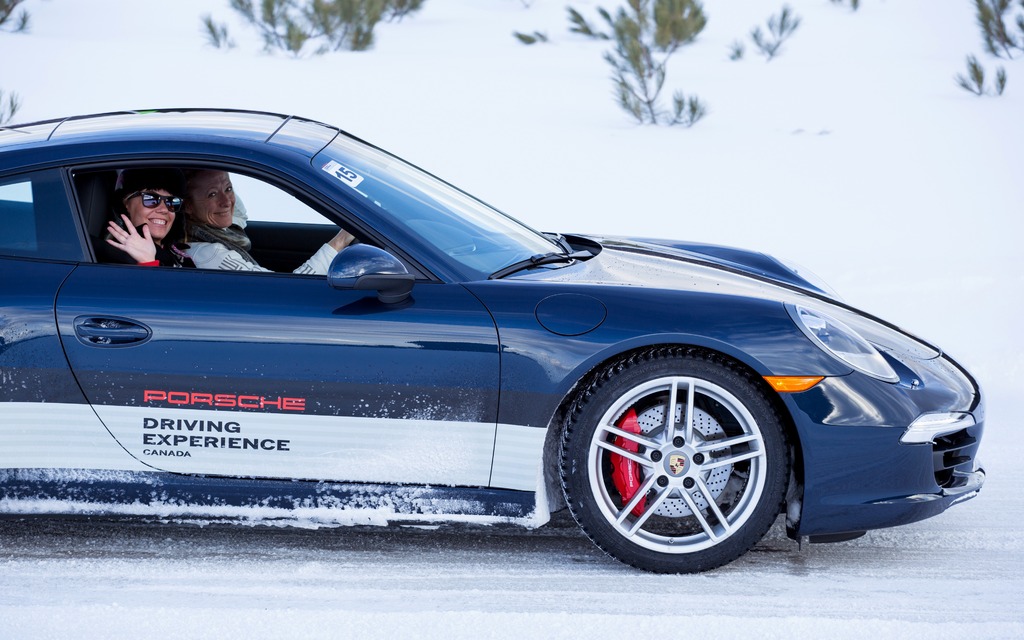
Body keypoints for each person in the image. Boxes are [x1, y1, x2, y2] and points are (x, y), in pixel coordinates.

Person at [183, 169, 354, 273]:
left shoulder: (216, 229)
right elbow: (288, 292)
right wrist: (342, 239)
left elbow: (239, 214)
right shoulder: (210, 255)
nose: (226, 201)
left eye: (228, 189)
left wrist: (215, 168)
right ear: (187, 205)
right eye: (212, 194)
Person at [104, 168, 195, 268]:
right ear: (126, 202)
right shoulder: (113, 255)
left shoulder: (179, 256)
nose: (164, 209)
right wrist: (148, 264)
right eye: (151, 199)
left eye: (172, 201)